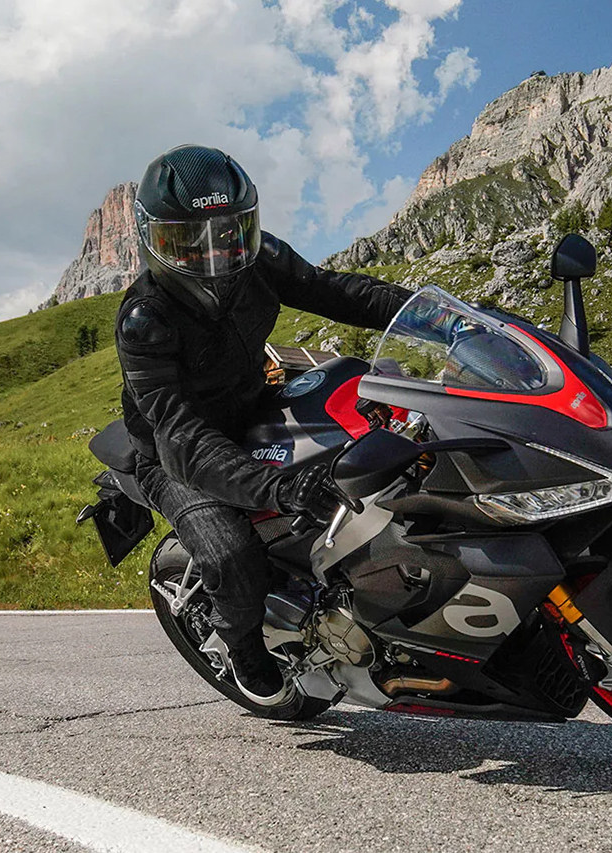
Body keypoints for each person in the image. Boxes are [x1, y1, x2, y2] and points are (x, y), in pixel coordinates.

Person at [115, 144, 412, 707]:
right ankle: (244, 650)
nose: (213, 255)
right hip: (173, 451)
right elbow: (182, 436)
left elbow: (337, 292)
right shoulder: (144, 320)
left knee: (380, 431)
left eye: (227, 233)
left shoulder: (259, 259)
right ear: (153, 240)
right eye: (189, 242)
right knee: (230, 551)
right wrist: (279, 488)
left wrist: (429, 313)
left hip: (254, 406)